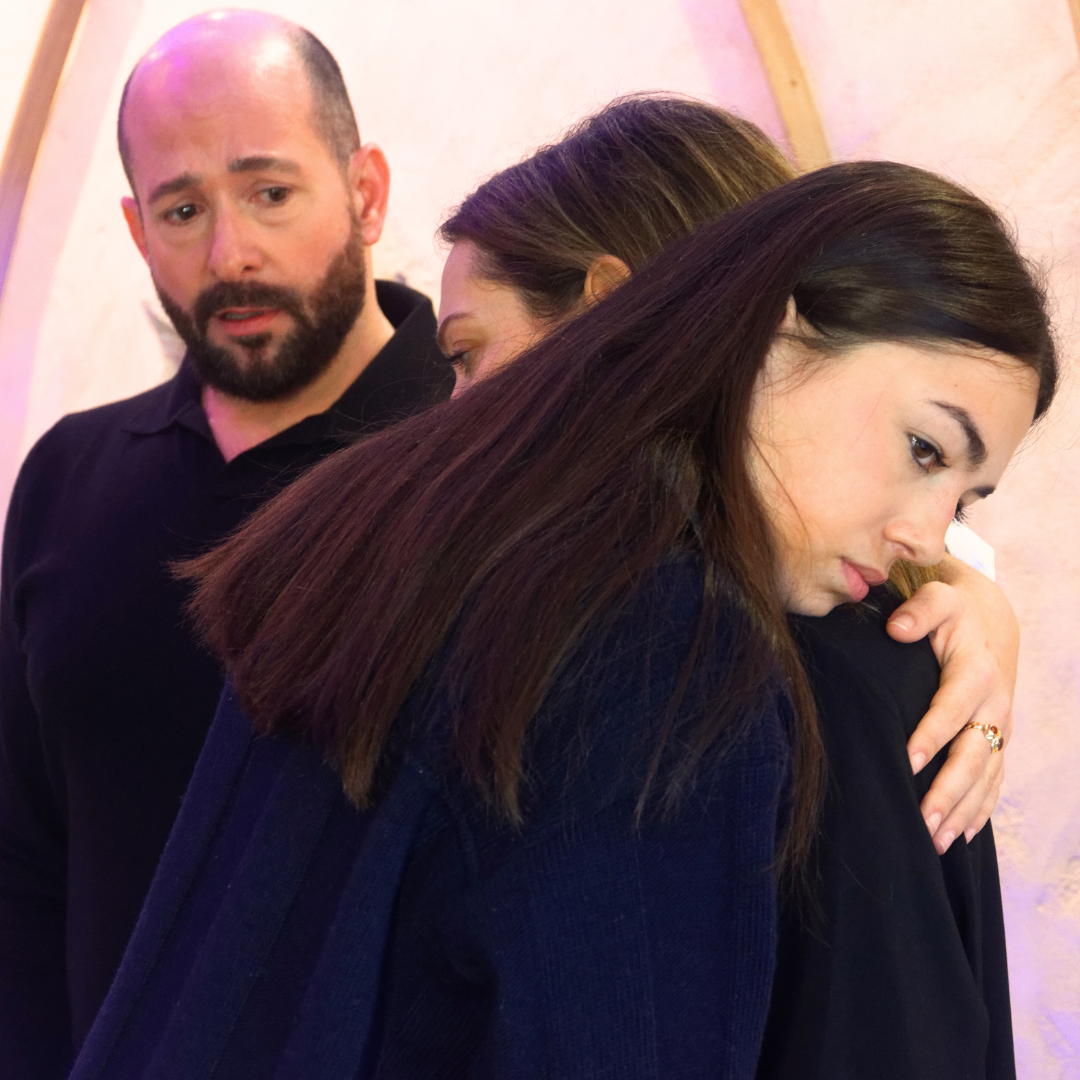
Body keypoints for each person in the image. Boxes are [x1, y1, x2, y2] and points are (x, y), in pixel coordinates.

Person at [70, 153, 1054, 1077]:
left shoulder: (376, 518)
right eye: (925, 449)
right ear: (777, 330)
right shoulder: (667, 646)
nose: (927, 535)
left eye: (964, 500)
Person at [0, 11, 450, 1076]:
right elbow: (20, 863)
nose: (230, 253)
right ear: (136, 229)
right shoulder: (69, 477)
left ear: (366, 192)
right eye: (183, 209)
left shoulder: (486, 454)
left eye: (270, 193)